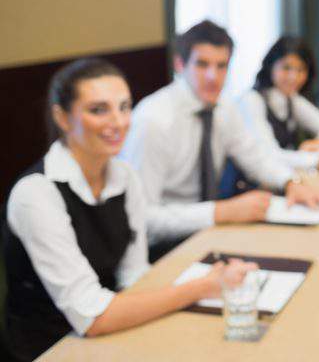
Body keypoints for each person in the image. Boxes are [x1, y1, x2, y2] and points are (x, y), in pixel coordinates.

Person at [2, 58, 254, 361]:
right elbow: (91, 317)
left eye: (124, 107)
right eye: (99, 110)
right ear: (63, 118)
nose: (119, 122)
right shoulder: (36, 193)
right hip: (52, 347)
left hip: (114, 335)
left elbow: (134, 276)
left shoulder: (125, 176)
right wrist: (203, 287)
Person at [121, 21, 319, 259]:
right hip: (160, 247)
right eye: (202, 64)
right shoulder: (153, 121)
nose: (212, 76)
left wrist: (291, 183)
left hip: (208, 230)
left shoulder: (223, 107)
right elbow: (143, 217)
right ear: (179, 64)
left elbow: (255, 157)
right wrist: (220, 212)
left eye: (221, 66)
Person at [238, 36, 319, 172]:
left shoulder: (291, 98)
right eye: (286, 68)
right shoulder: (251, 100)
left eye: (301, 69)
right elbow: (269, 155)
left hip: (280, 175)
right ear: (270, 66)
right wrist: (316, 160)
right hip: (249, 184)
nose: (294, 77)